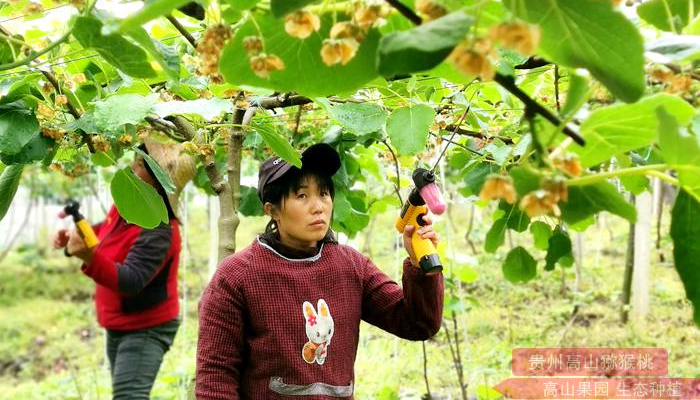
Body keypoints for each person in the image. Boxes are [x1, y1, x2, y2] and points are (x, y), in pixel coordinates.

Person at [196, 143, 444, 399]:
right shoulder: (237, 276)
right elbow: (216, 377)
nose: (318, 207)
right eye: (302, 196)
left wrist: (419, 266)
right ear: (272, 210)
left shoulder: (350, 266)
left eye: (324, 193)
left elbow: (417, 324)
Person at [53, 137, 195, 399]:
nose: (131, 167)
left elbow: (132, 279)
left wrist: (89, 257)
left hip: (146, 328)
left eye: (140, 164)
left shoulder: (159, 230)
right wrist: (76, 239)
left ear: (156, 181)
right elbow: (107, 233)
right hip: (119, 323)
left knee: (128, 396)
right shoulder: (128, 207)